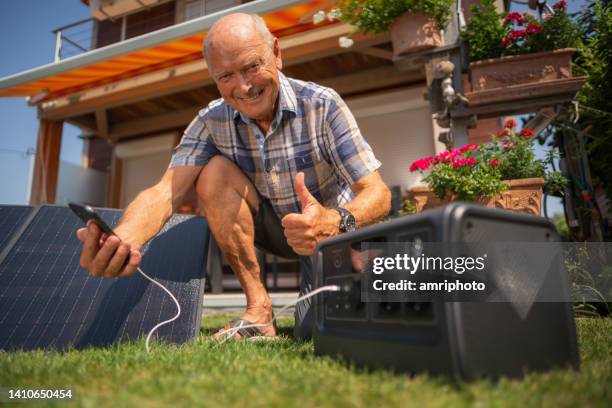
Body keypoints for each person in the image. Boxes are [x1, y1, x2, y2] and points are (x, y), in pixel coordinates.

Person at [76, 13, 391, 340]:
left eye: (252, 66)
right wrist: (124, 238)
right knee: (213, 174)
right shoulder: (211, 122)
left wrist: (335, 221)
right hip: (270, 228)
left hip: (328, 230)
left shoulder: (323, 105)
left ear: (277, 54)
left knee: (317, 330)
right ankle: (259, 311)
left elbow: (378, 193)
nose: (244, 87)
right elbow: (164, 192)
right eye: (226, 75)